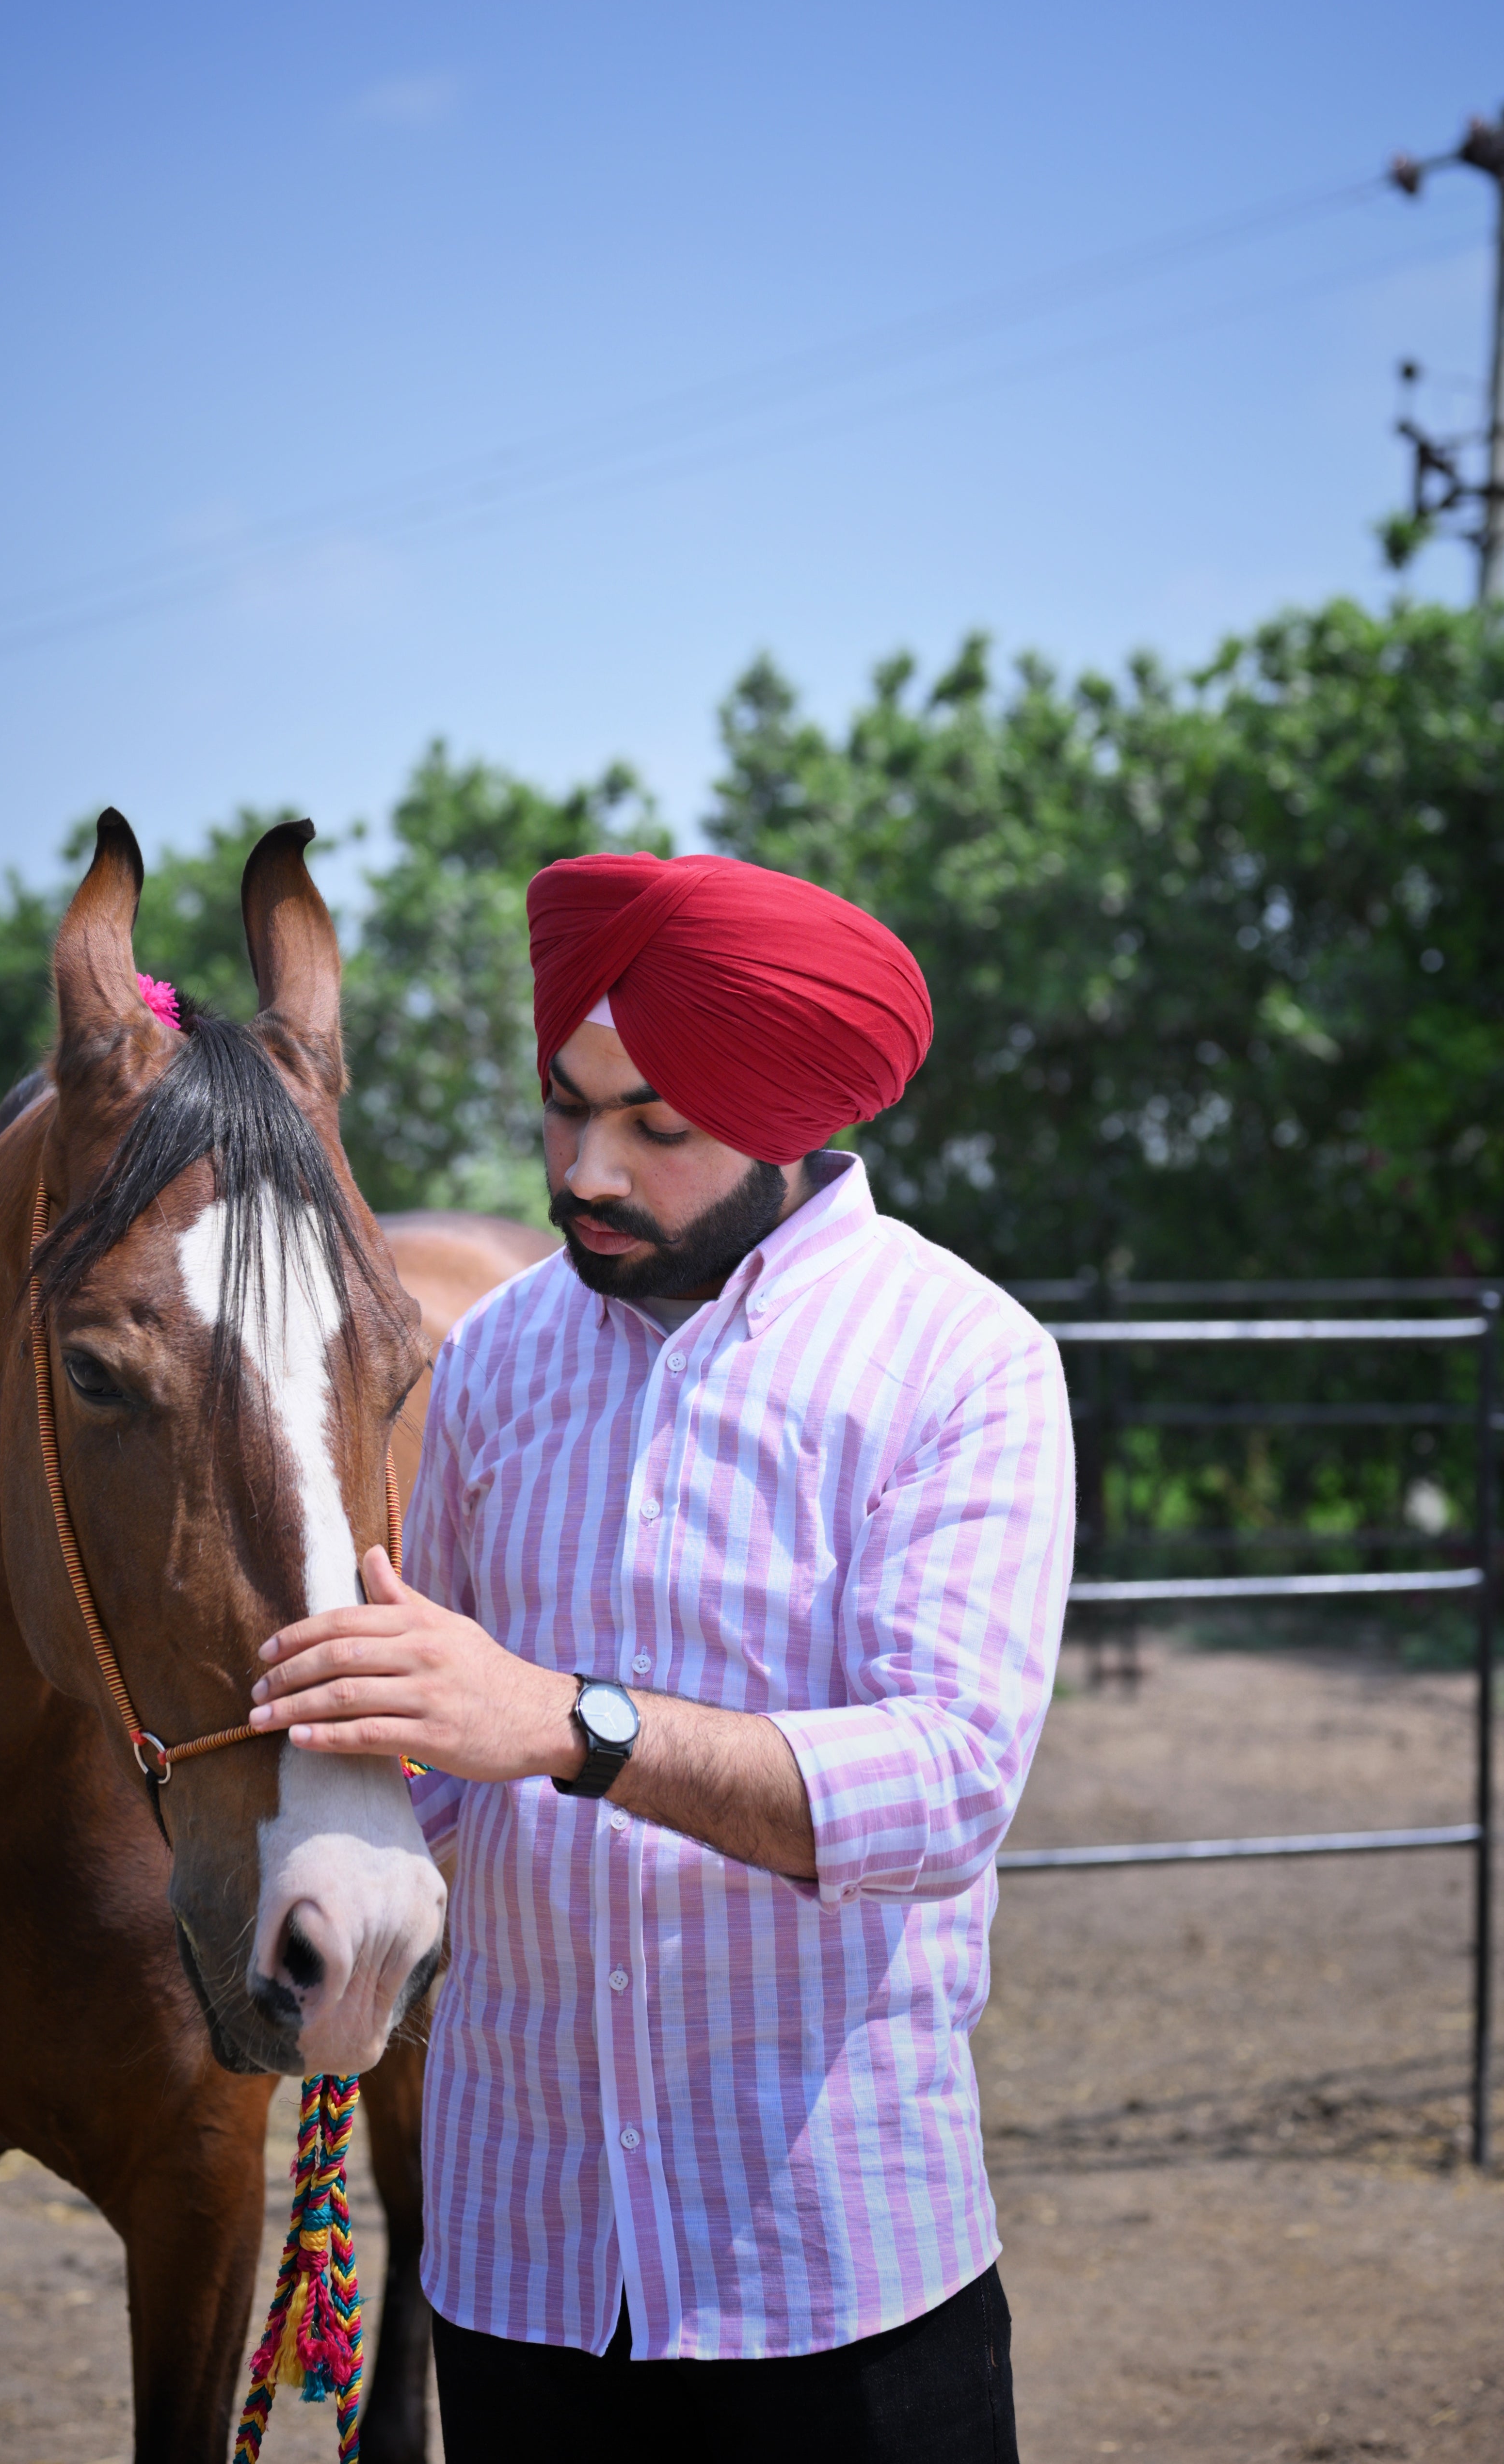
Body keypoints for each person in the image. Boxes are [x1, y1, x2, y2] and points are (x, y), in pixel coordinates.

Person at [249, 850, 1075, 2461]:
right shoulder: (489, 1360)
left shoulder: (963, 1361)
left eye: (658, 1129)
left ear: (795, 1120)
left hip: (835, 2277)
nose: (587, 1169)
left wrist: (568, 1723)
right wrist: (341, 1881)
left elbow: (945, 1790)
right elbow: (440, 1758)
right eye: (566, 1108)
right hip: (516, 2265)